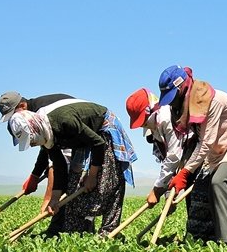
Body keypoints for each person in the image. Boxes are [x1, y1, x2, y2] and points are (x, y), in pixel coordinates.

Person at [154, 66, 227, 242]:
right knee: (204, 186)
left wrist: (185, 173)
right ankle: (207, 238)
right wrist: (180, 173)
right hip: (219, 148)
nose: (172, 103)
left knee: (220, 182)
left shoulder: (211, 100)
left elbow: (206, 143)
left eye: (173, 98)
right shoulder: (185, 107)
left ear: (182, 88)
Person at [7, 99, 136, 235]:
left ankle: (108, 232)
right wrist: (55, 198)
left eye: (31, 140)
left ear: (34, 129)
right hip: (83, 138)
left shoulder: (64, 122)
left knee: (108, 183)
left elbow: (98, 143)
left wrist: (91, 176)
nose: (32, 145)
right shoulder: (46, 133)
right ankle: (75, 233)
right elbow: (59, 165)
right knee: (73, 186)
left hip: (102, 130)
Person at [0, 90, 74, 234]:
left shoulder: (41, 113)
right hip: (65, 140)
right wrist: (35, 175)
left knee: (67, 180)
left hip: (74, 136)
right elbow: (46, 149)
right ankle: (61, 227)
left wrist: (48, 198)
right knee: (61, 177)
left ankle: (58, 228)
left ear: (22, 105)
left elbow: (56, 162)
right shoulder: (32, 115)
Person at [125, 88, 192, 208]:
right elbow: (168, 161)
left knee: (201, 212)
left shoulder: (166, 118)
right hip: (186, 166)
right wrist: (167, 194)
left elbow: (174, 157)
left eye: (144, 122)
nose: (143, 126)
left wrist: (156, 191)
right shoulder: (156, 125)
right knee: (193, 213)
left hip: (200, 162)